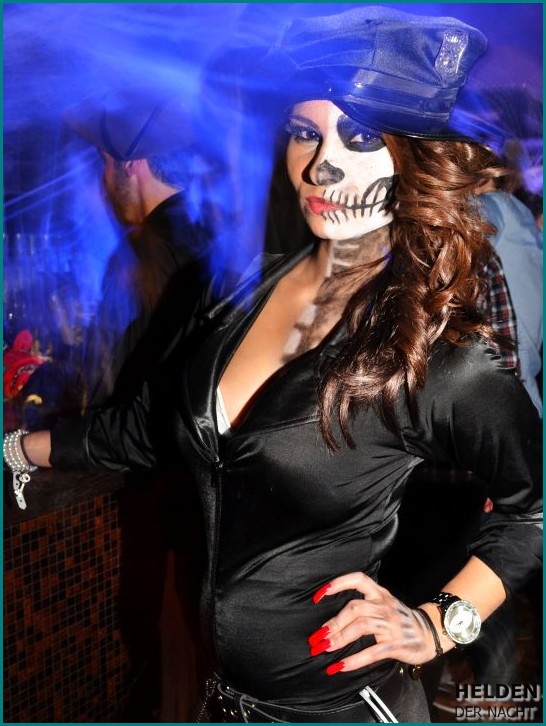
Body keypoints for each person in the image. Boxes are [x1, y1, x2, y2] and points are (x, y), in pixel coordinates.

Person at [4, 7, 542, 723]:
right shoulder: (239, 292)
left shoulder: (434, 352)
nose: (322, 165)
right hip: (224, 702)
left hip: (345, 707)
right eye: (304, 132)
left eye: (360, 136)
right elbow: (148, 427)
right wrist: (19, 448)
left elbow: (533, 508)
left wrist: (440, 623)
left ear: (412, 158)